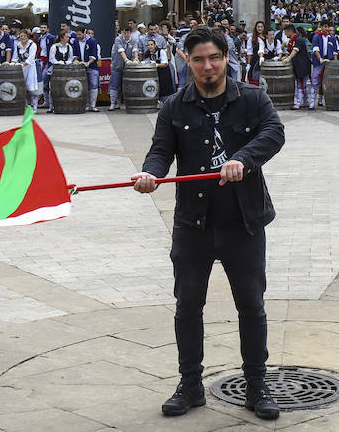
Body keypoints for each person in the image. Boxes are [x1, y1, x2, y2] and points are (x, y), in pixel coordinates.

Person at [132, 27, 285, 422]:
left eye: (214, 58)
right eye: (198, 59)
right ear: (187, 60)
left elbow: (274, 132)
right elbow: (161, 150)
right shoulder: (174, 106)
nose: (207, 66)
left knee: (251, 305)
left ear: (226, 57)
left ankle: (256, 385)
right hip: (193, 225)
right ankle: (190, 384)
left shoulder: (252, 98)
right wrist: (149, 175)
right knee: (187, 306)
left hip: (243, 224)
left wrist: (245, 159)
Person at [282, 24, 312, 110]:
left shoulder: (298, 39)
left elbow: (295, 50)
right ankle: (305, 101)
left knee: (300, 84)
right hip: (299, 65)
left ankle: (298, 103)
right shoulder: (293, 39)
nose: (285, 34)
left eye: (285, 32)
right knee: (302, 84)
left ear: (289, 31)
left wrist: (288, 58)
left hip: (302, 65)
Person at [80, 27, 101, 112]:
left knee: (94, 85)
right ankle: (87, 105)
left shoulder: (95, 43)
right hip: (81, 68)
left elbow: (96, 56)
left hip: (92, 67)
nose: (90, 35)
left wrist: (88, 63)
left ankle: (93, 105)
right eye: (89, 33)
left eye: (92, 33)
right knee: (85, 86)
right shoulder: (80, 42)